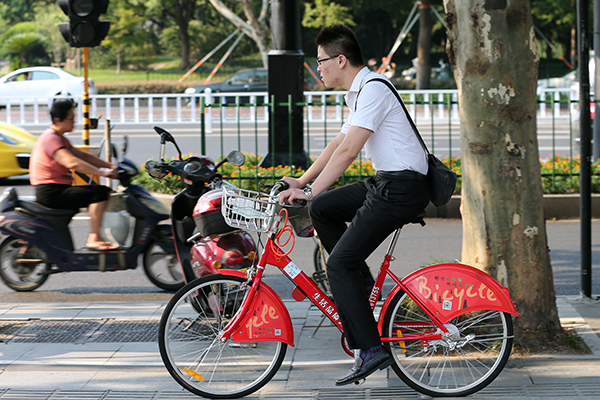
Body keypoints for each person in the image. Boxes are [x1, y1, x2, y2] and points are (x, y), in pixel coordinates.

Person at [279, 24, 430, 386]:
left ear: (340, 59)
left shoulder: (374, 90)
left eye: (321, 61)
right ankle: (361, 287)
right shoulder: (360, 92)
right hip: (387, 182)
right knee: (323, 210)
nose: (318, 68)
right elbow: (338, 142)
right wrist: (302, 183)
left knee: (339, 265)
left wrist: (311, 191)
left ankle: (370, 349)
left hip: (401, 188)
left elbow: (349, 152)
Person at [29, 99, 120, 250]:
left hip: (55, 189)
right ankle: (94, 238)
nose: (74, 122)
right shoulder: (51, 139)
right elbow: (73, 163)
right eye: (71, 119)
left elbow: (83, 156)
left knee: (95, 190)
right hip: (51, 192)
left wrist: (111, 165)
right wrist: (103, 173)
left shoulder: (59, 138)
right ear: (58, 120)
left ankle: (95, 236)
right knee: (100, 193)